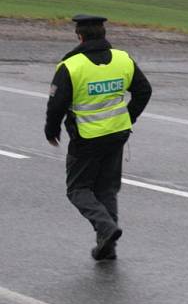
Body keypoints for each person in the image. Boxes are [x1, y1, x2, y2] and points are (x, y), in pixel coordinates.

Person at [45, 15, 152, 261]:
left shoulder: (71, 66)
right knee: (106, 189)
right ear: (104, 35)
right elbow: (144, 91)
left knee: (78, 189)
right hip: (117, 134)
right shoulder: (122, 59)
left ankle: (106, 229)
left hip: (87, 137)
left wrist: (52, 131)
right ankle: (107, 248)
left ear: (79, 36)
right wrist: (128, 117)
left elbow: (56, 104)